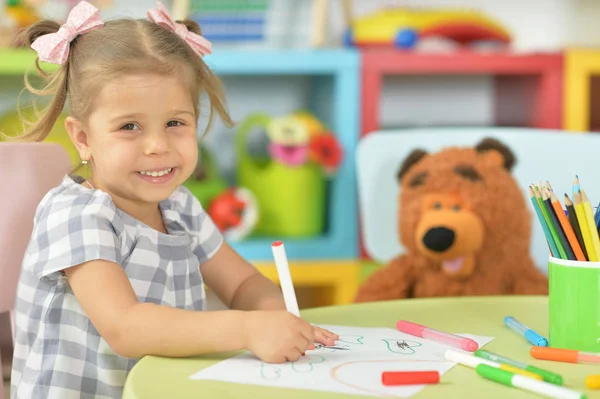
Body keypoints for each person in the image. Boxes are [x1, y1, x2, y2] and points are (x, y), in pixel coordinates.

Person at [9, 2, 338, 398]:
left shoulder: (179, 207)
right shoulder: (76, 214)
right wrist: (247, 329)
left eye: (175, 123)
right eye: (129, 126)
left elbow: (243, 284)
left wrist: (274, 314)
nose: (157, 146)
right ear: (83, 138)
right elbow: (125, 328)